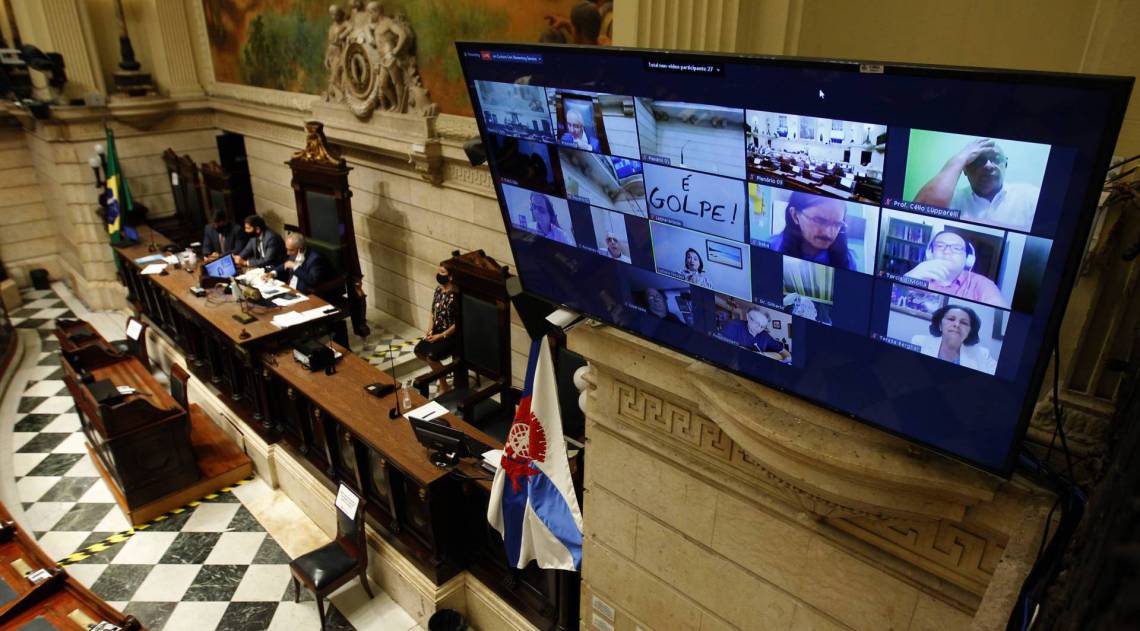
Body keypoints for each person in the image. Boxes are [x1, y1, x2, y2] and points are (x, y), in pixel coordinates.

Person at [913, 138, 1039, 231]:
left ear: (1005, 164)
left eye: (996, 158)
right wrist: (959, 159)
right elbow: (917, 218)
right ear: (964, 169)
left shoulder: (1031, 197)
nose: (989, 166)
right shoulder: (952, 199)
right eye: (978, 161)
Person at [904, 231, 1008, 308]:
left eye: (957, 248)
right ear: (929, 253)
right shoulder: (918, 275)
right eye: (940, 246)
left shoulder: (984, 284)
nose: (947, 251)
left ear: (968, 259)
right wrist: (906, 280)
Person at [768, 192, 856, 269]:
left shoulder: (847, 260)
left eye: (837, 224)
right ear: (795, 215)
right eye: (819, 220)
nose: (828, 233)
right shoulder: (772, 248)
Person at [910, 304, 997, 373]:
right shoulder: (919, 342)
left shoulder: (983, 355)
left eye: (964, 323)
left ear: (970, 331)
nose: (957, 325)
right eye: (951, 319)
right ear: (940, 325)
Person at [414, 266, 458, 392]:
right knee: (419, 350)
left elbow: (458, 323)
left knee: (432, 357)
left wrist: (441, 335)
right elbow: (432, 311)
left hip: (451, 334)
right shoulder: (438, 290)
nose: (439, 274)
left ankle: (443, 384)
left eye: (442, 272)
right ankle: (439, 373)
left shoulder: (455, 294)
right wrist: (430, 329)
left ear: (450, 276)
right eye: (438, 271)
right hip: (437, 330)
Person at [262, 233, 332, 294]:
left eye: (290, 250)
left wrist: (295, 266)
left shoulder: (315, 259)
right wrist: (273, 273)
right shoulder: (293, 252)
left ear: (300, 249)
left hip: (304, 293)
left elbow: (312, 280)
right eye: (287, 249)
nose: (287, 253)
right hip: (289, 289)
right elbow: (286, 264)